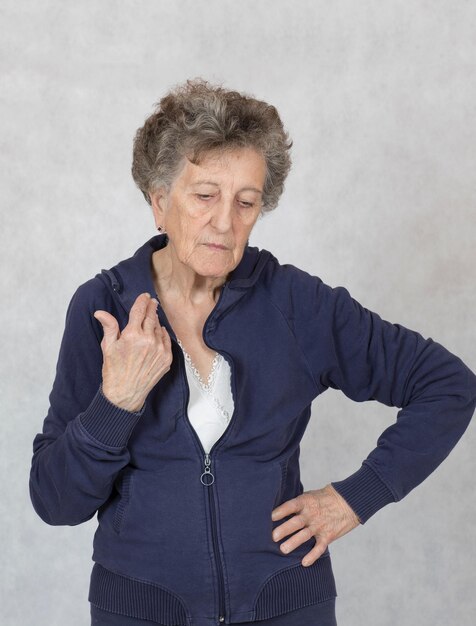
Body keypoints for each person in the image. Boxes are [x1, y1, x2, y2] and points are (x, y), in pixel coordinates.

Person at [29, 78, 476, 626]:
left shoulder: (294, 303)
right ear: (159, 201)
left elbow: (447, 385)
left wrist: (357, 496)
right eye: (205, 195)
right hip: (140, 612)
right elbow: (56, 502)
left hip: (286, 606)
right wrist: (116, 402)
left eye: (247, 201)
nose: (225, 222)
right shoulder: (103, 309)